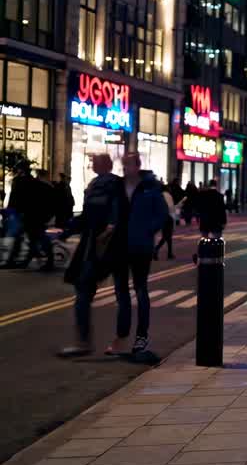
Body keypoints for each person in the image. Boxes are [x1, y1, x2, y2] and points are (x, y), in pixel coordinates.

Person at [60, 154, 123, 357]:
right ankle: (90, 341)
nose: (92, 164)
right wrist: (69, 230)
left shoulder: (106, 185)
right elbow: (89, 216)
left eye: (95, 162)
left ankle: (85, 342)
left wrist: (71, 230)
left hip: (100, 246)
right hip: (99, 244)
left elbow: (103, 216)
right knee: (87, 291)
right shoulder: (101, 184)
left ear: (104, 165)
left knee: (84, 290)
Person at [107, 152, 168, 356]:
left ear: (137, 165)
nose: (125, 168)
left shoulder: (150, 187)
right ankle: (121, 336)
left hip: (141, 247)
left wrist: (147, 230)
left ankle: (141, 336)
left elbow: (162, 215)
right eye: (123, 165)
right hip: (119, 246)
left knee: (140, 290)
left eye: (129, 164)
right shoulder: (117, 186)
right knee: (121, 293)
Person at [2, 162, 54, 270]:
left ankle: (15, 261)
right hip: (32, 215)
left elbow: (15, 198)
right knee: (32, 237)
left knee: (33, 237)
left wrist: (11, 211)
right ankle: (23, 261)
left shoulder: (21, 181)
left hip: (29, 215)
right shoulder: (34, 182)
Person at [154, 183, 176, 260]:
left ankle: (169, 253)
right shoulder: (168, 195)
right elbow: (171, 208)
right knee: (166, 236)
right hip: (168, 217)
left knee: (168, 236)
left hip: (162, 217)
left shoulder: (160, 195)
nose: (170, 189)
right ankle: (156, 250)